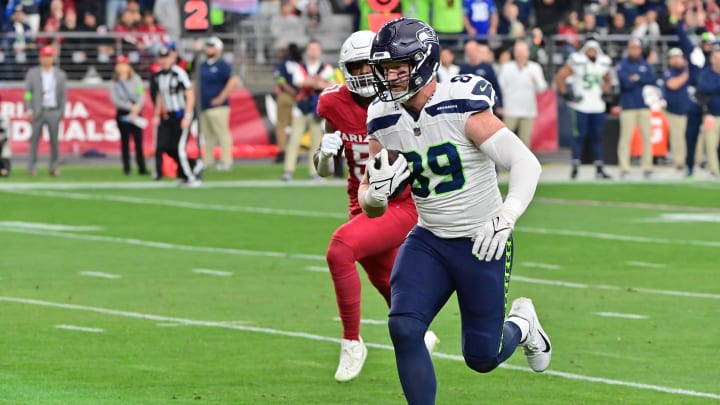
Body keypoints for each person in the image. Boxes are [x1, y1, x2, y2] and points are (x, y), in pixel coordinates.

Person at [362, 18, 550, 404]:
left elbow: (525, 162)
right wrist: (376, 197)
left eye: (400, 68)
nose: (392, 78)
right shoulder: (382, 117)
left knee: (481, 358)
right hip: (429, 239)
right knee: (403, 326)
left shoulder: (460, 104)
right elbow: (370, 198)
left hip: (483, 240)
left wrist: (507, 214)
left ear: (425, 63)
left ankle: (523, 322)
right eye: (386, 70)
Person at [313, 30, 437, 383]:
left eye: (372, 64)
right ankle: (419, 332)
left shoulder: (400, 99)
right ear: (345, 69)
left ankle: (352, 342)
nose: (366, 73)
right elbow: (326, 170)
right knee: (385, 278)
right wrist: (324, 154)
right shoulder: (333, 104)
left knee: (340, 250)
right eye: (358, 66)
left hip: (402, 204)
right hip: (360, 202)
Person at [555, 40, 613, 180]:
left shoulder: (602, 62)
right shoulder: (577, 61)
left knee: (597, 138)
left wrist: (606, 92)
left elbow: (608, 78)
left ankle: (599, 168)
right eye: (590, 50)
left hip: (598, 105)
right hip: (581, 106)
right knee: (579, 137)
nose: (592, 52)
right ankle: (575, 167)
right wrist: (567, 94)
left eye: (594, 50)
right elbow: (560, 76)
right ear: (585, 50)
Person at [282, 39, 336, 181]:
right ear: (307, 51)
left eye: (315, 49)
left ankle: (314, 172)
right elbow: (299, 82)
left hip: (316, 109)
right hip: (300, 108)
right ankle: (288, 170)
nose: (313, 52)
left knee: (316, 142)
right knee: (294, 140)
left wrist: (316, 83)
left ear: (320, 51)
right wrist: (318, 82)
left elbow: (332, 84)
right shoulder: (300, 67)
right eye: (311, 49)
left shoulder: (326, 67)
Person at [151, 45, 201, 186]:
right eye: (161, 58)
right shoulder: (159, 75)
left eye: (166, 57)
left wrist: (187, 116)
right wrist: (157, 113)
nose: (164, 61)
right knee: (168, 147)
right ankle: (192, 166)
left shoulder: (179, 73)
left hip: (182, 114)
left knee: (179, 147)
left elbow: (190, 94)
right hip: (169, 115)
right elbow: (160, 95)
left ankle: (191, 178)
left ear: (172, 58)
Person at [616, 38, 657, 180]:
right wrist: (640, 79)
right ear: (628, 48)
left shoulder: (645, 64)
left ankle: (647, 167)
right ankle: (624, 168)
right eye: (632, 47)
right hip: (628, 106)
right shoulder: (622, 64)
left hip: (643, 105)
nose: (634, 50)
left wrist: (636, 78)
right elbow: (625, 82)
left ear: (640, 49)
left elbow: (652, 79)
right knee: (625, 138)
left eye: (636, 48)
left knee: (647, 137)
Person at [24, 45, 67, 177]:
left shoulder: (60, 75)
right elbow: (28, 93)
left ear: (53, 58)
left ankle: (54, 167)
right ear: (40, 58)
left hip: (53, 110)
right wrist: (29, 109)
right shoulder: (33, 73)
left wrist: (61, 111)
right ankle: (32, 167)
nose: (47, 59)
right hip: (38, 110)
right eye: (44, 56)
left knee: (54, 141)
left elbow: (63, 95)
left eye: (49, 56)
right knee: (34, 140)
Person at [198, 36, 239, 172]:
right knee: (207, 136)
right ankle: (207, 160)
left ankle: (226, 160)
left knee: (222, 134)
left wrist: (221, 98)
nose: (208, 49)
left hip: (219, 106)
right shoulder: (203, 65)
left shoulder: (222, 65)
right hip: (204, 106)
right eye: (207, 46)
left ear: (218, 49)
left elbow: (233, 81)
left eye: (211, 46)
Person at [498, 40, 548, 147]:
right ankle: (503, 164)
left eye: (522, 51)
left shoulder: (535, 67)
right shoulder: (507, 67)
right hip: (510, 110)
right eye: (518, 51)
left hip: (528, 110)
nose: (520, 53)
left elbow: (542, 88)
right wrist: (501, 105)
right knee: (505, 141)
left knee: (525, 143)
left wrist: (536, 81)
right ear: (514, 53)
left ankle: (523, 164)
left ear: (527, 53)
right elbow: (500, 87)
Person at [110, 54, 148, 176]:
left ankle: (142, 167)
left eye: (123, 64)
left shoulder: (136, 79)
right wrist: (130, 108)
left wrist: (137, 107)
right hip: (123, 113)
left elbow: (141, 94)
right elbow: (115, 100)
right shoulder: (114, 82)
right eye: (118, 65)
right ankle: (127, 168)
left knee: (138, 141)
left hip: (137, 112)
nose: (121, 67)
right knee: (125, 142)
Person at [273, 43, 302, 163]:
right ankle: (295, 152)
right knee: (296, 126)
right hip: (300, 97)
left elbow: (281, 81)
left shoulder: (282, 64)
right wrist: (297, 94)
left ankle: (283, 152)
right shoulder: (300, 64)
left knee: (281, 125)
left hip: (286, 96)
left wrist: (291, 92)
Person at [663, 47, 690, 172]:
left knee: (692, 136)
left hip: (689, 109)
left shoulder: (690, 71)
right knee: (677, 137)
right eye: (672, 58)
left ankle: (693, 160)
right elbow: (673, 84)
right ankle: (679, 161)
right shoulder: (669, 72)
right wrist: (686, 74)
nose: (675, 60)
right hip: (674, 110)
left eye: (677, 57)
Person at [459, 41, 503, 115]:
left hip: (485, 105)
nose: (470, 53)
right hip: (469, 107)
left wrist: (499, 104)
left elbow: (495, 86)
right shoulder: (463, 69)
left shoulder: (487, 68)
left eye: (471, 51)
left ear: (477, 50)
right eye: (468, 51)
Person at [697, 48, 720, 179]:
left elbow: (710, 88)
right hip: (710, 114)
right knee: (711, 144)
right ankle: (714, 171)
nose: (718, 61)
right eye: (716, 58)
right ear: (711, 59)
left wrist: (714, 87)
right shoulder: (705, 73)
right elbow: (703, 88)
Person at [0, 94, 10, 177]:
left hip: (2, 140)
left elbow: (6, 130)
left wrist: (3, 139)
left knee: (5, 149)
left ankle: (4, 168)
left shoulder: (3, 115)